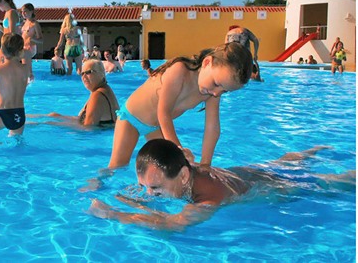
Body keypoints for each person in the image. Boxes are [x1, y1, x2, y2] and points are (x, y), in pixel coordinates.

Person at [89, 139, 355, 231]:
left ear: (183, 176)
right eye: (144, 186)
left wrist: (114, 214)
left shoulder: (206, 198)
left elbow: (171, 226)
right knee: (282, 161)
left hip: (271, 189)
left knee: (327, 183)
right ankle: (314, 151)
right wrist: (142, 196)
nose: (149, 194)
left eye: (156, 189)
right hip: (246, 172)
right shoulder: (185, 167)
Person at [108, 43, 253, 169]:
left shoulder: (211, 92)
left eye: (224, 90)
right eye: (216, 83)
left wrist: (205, 164)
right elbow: (163, 112)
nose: (217, 93)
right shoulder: (181, 71)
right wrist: (179, 150)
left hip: (156, 128)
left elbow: (212, 128)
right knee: (117, 166)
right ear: (207, 62)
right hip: (132, 118)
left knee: (171, 170)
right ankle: (96, 187)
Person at [31, 59, 120, 128]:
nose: (84, 76)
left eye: (89, 72)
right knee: (53, 115)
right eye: (82, 73)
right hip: (102, 131)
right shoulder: (103, 90)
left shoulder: (98, 95)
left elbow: (88, 128)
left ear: (101, 74)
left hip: (97, 137)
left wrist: (60, 126)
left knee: (48, 123)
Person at [21, 3, 43, 81]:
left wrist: (32, 39)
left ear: (31, 11)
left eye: (25, 11)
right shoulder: (24, 24)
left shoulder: (35, 24)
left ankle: (30, 76)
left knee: (26, 68)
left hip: (30, 48)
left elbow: (41, 40)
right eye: (22, 12)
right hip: (23, 48)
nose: (23, 13)